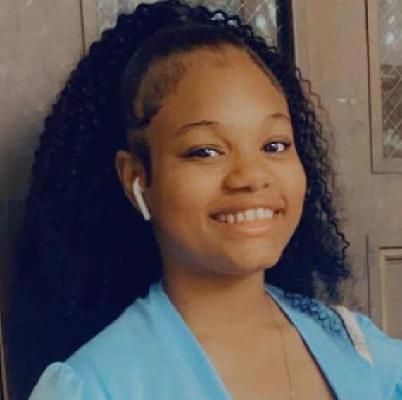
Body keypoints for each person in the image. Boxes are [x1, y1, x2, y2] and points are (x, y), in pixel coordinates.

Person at [5, 0, 402, 399]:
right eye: (205, 151)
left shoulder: (357, 348)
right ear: (136, 178)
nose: (252, 176)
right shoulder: (96, 386)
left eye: (275, 145)